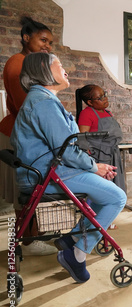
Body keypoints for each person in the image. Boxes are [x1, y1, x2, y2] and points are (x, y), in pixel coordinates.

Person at [11, 52, 127, 283]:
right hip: (47, 175)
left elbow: (64, 148)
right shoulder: (43, 103)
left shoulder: (41, 99)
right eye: (60, 65)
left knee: (101, 191)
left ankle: (71, 239)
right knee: (116, 198)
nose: (66, 70)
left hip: (48, 171)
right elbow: (65, 150)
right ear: (44, 69)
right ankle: (77, 253)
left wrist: (95, 167)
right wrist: (94, 168)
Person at [0, 16, 57, 255]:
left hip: (22, 132)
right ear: (26, 38)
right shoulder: (18, 63)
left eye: (50, 42)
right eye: (43, 40)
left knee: (32, 189)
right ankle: (29, 240)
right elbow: (30, 107)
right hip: (17, 133)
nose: (48, 45)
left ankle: (30, 237)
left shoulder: (28, 62)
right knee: (26, 191)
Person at [76, 84, 125, 229]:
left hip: (111, 154)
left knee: (111, 189)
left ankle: (105, 220)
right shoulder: (87, 113)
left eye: (104, 94)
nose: (105, 99)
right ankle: (93, 223)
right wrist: (89, 159)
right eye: (100, 97)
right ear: (90, 102)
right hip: (98, 157)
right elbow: (82, 138)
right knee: (98, 192)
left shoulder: (107, 112)